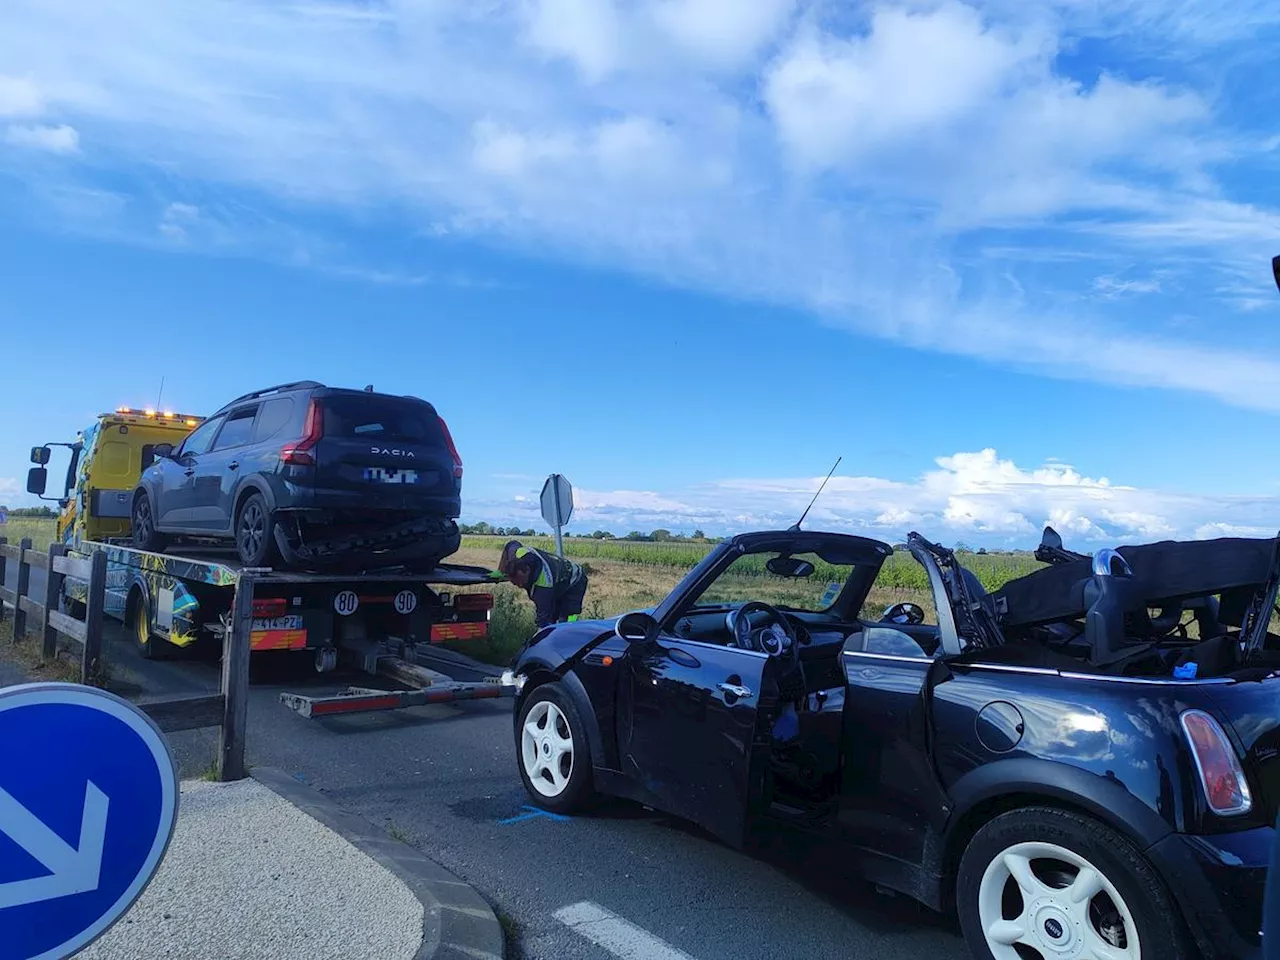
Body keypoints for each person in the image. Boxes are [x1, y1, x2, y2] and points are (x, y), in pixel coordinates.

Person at [497, 540, 589, 628]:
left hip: (576, 581)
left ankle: (570, 633)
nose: (519, 585)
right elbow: (511, 544)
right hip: (558, 581)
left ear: (527, 571)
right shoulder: (520, 552)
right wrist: (500, 571)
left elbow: (542, 621)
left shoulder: (543, 587)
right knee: (553, 617)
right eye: (514, 583)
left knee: (566, 618)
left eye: (520, 581)